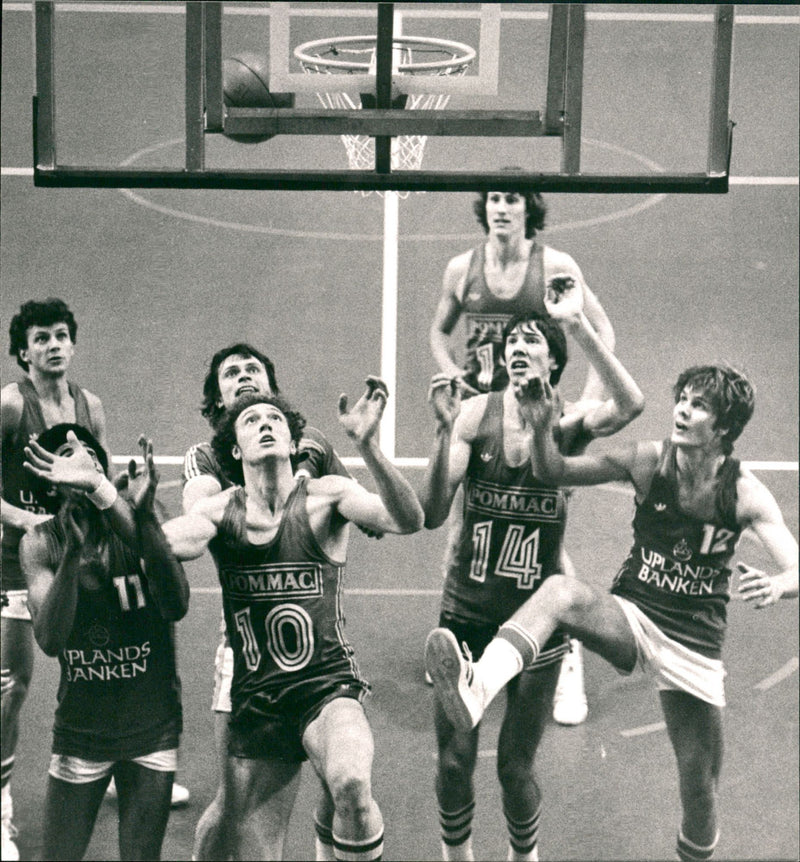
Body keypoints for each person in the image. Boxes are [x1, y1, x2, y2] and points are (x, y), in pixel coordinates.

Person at [425, 363, 798, 862]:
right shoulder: (648, 461)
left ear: (725, 427)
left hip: (694, 644)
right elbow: (553, 471)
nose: (683, 409)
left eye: (699, 405)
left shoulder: (744, 492)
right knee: (560, 591)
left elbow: (797, 567)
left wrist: (778, 584)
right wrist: (540, 430)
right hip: (633, 616)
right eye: (682, 398)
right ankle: (479, 685)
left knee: (701, 785)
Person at [118, 379, 418, 861]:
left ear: (294, 443)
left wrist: (369, 448)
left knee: (352, 784)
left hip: (327, 687)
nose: (265, 425)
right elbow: (166, 546)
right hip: (259, 702)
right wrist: (137, 516)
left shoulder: (327, 497)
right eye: (251, 421)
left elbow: (407, 518)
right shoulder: (220, 512)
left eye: (274, 419)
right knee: (227, 826)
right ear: (235, 449)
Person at [420, 277, 644, 862]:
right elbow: (431, 511)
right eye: (512, 339)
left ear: (554, 362)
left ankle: (526, 858)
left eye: (532, 340)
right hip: (466, 613)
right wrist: (444, 435)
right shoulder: (474, 414)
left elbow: (630, 406)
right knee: (452, 761)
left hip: (535, 625)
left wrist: (578, 324)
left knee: (516, 771)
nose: (517, 345)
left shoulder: (567, 423)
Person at [429, 188, 617, 724]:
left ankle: (567, 653)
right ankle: (458, 644)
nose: (501, 208)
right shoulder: (461, 269)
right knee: (463, 531)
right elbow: (438, 332)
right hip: (481, 412)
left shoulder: (554, 265)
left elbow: (600, 327)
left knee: (541, 536)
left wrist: (585, 401)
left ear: (527, 208)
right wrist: (450, 373)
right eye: (493, 199)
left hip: (535, 416)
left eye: (512, 199)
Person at [184, 343, 364, 862]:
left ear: (272, 385)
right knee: (235, 802)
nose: (243, 376)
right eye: (230, 373)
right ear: (216, 397)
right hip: (247, 656)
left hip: (318, 642)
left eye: (253, 369)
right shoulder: (209, 456)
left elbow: (353, 510)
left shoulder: (313, 445)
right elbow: (200, 511)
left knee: (343, 779)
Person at [19, 424, 189, 861]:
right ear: (53, 480)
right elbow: (51, 639)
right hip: (82, 731)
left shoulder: (141, 516)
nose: (81, 455)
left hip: (152, 726)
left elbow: (176, 603)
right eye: (67, 453)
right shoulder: (42, 543)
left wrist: (147, 518)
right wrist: (73, 556)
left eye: (89, 453)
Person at [0, 298, 107, 861]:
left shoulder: (90, 407)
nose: (54, 345)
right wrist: (25, 520)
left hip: (73, 558)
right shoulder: (11, 409)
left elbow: (96, 480)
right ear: (24, 352)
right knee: (11, 688)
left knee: (93, 668)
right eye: (41, 338)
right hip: (11, 563)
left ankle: (106, 763)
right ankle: (0, 811)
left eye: (62, 335)